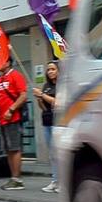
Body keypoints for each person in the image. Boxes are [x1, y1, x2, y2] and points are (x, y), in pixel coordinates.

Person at [0, 62, 29, 189]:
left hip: (13, 118)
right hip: (2, 119)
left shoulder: (15, 75)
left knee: (15, 148)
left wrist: (11, 110)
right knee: (9, 150)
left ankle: (17, 179)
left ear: (8, 62)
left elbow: (23, 95)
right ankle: (13, 177)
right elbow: (1, 99)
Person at [38, 60, 61, 193]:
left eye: (53, 69)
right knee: (52, 154)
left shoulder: (62, 86)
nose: (50, 72)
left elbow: (57, 103)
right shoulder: (46, 86)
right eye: (48, 70)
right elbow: (43, 107)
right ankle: (55, 180)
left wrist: (42, 95)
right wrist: (39, 99)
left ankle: (63, 182)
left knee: (59, 153)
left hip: (58, 122)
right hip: (47, 121)